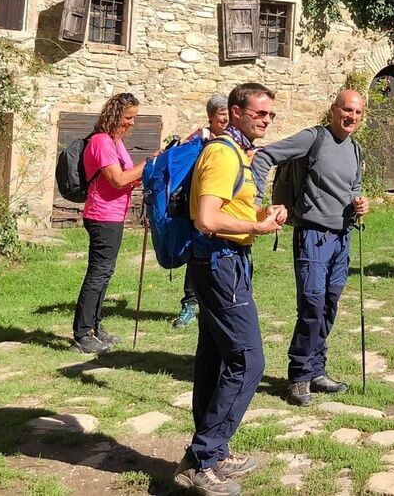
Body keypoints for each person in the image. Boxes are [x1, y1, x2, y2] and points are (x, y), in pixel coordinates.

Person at [175, 82, 286, 496]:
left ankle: (211, 453)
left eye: (270, 115)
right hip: (221, 263)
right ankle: (204, 456)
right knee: (248, 361)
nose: (266, 120)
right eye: (259, 113)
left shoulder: (237, 154)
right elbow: (207, 217)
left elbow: (228, 208)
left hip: (223, 262)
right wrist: (256, 227)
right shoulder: (223, 153)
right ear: (236, 112)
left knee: (214, 358)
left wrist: (261, 213)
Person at [250, 89, 371, 408]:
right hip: (312, 237)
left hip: (342, 238)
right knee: (312, 306)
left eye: (357, 113)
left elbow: (355, 186)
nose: (352, 117)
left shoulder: (355, 148)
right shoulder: (313, 138)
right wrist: (255, 201)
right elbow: (265, 156)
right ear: (333, 110)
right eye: (347, 110)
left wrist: (360, 202)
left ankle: (317, 370)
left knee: (329, 306)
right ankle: (300, 376)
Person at [72, 92, 149, 354]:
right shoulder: (102, 142)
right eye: (129, 117)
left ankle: (95, 327)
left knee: (105, 273)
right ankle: (82, 334)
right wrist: (148, 163)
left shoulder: (115, 142)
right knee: (97, 274)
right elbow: (117, 179)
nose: (132, 123)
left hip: (113, 214)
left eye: (134, 118)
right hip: (101, 215)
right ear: (115, 115)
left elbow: (126, 178)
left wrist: (143, 174)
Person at [173, 95, 231, 329]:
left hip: (225, 208)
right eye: (221, 114)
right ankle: (189, 304)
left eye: (228, 114)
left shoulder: (233, 140)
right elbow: (179, 162)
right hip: (199, 207)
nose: (225, 118)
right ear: (211, 116)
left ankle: (219, 304)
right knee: (196, 257)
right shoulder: (200, 137)